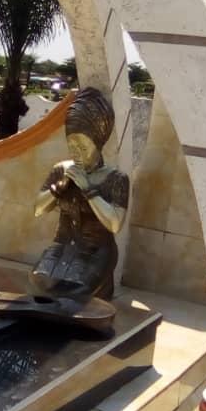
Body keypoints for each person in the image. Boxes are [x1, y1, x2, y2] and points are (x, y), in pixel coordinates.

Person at [31, 87, 129, 302]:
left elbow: (114, 224)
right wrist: (58, 188)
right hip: (62, 246)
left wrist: (88, 189)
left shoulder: (116, 179)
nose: (76, 152)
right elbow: (38, 209)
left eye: (83, 147)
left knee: (74, 293)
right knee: (40, 285)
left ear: (98, 142)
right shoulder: (61, 169)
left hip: (96, 251)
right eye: (72, 145)